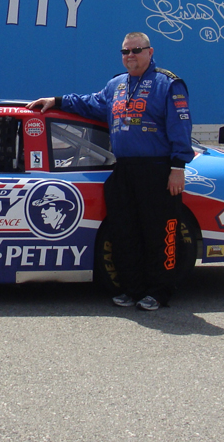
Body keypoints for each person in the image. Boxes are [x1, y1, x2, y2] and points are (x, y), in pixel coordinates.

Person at [27, 32, 194, 311]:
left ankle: (159, 291)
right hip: (124, 169)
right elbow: (90, 103)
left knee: (158, 232)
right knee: (124, 233)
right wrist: (56, 101)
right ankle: (132, 289)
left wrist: (178, 167)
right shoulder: (116, 84)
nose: (130, 56)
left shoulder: (168, 83)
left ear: (150, 52)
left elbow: (181, 128)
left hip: (158, 169)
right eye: (125, 51)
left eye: (136, 50)